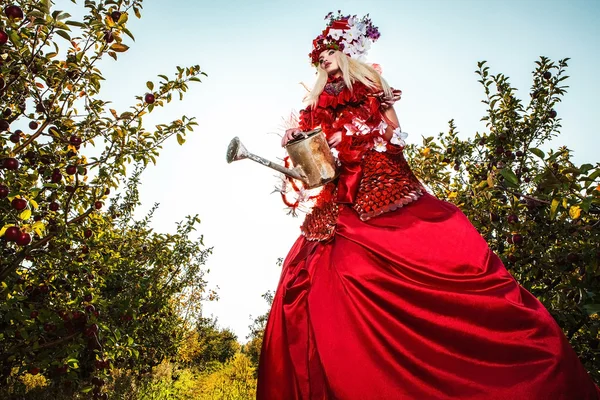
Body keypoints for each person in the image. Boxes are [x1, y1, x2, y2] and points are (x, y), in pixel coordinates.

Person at [256, 12, 600, 400]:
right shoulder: (316, 104)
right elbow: (317, 169)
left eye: (331, 51)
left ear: (349, 52)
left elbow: (394, 139)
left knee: (415, 257)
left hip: (379, 184)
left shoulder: (371, 89)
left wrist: (380, 117)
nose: (324, 59)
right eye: (319, 56)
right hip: (337, 200)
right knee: (316, 277)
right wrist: (298, 142)